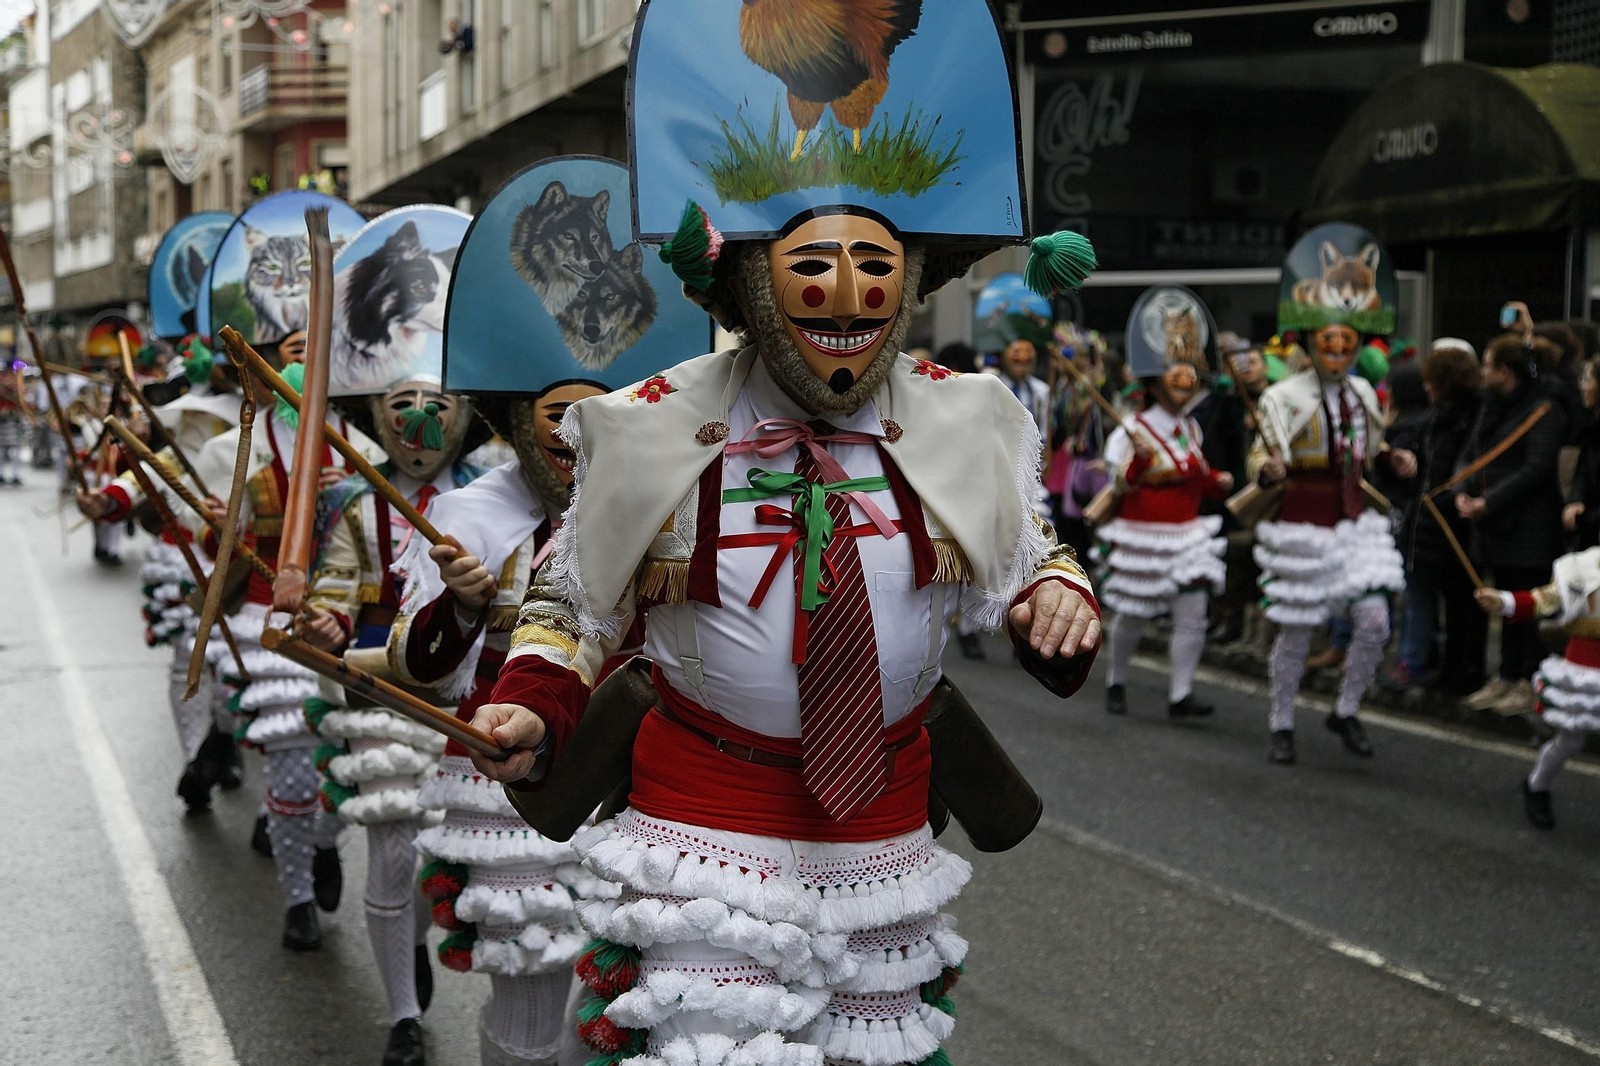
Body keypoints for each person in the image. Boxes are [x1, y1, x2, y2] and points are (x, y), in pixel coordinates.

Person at [462, 10, 1103, 1061]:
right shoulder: (650, 425)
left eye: (873, 267)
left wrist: (1055, 603)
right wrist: (532, 705)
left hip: (886, 831)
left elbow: (1031, 563)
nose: (847, 294)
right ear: (754, 285)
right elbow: (570, 605)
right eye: (815, 269)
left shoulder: (966, 416)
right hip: (705, 828)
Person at [387, 157, 701, 1066]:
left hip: (650, 791)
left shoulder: (677, 508)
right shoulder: (471, 515)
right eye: (555, 416)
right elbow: (425, 667)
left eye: (596, 415)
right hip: (518, 780)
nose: (574, 439)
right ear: (517, 419)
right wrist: (461, 601)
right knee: (529, 1007)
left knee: (631, 1018)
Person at [291, 205, 479, 1066]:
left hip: (476, 694)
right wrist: (325, 618)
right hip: (381, 682)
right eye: (401, 403)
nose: (418, 421)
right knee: (394, 841)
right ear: (379, 414)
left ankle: (413, 937)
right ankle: (403, 1014)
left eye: (436, 402)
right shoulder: (352, 503)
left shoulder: (499, 497)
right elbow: (330, 585)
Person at [191, 358, 387, 951]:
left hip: (354, 626)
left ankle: (325, 842)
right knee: (293, 770)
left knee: (358, 765)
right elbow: (221, 546)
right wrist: (220, 527)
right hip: (269, 624)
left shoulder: (368, 449)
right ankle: (298, 900)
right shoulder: (240, 450)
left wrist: (357, 490)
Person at [1250, 224, 1406, 766]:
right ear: (1309, 341)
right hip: (1302, 523)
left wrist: (1393, 459)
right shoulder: (1281, 396)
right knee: (1297, 632)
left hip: (1355, 522)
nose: (1338, 348)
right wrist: (1267, 469)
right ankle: (1281, 722)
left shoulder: (1364, 391)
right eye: (1328, 340)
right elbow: (1256, 459)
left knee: (1376, 622)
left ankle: (1346, 709)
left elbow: (1374, 447)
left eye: (1348, 340)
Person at [75, 336, 245, 811]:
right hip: (183, 560)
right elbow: (145, 477)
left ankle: (224, 743)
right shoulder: (175, 452)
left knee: (235, 669)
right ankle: (197, 760)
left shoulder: (261, 448)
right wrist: (107, 500)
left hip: (243, 566)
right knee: (186, 662)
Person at [1097, 286, 1231, 718]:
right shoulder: (1130, 429)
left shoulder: (1192, 429)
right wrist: (1137, 464)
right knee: (1134, 614)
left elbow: (1197, 477)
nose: (1185, 378)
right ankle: (1116, 680)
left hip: (1188, 532)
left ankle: (1181, 694)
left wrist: (1218, 482)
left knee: (1193, 608)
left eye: (1190, 370)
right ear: (1155, 379)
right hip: (1143, 534)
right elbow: (1119, 484)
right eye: (1175, 370)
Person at [1455, 333, 1568, 716]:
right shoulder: (1491, 408)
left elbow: (1536, 469)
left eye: (1487, 364)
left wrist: (1488, 502)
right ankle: (1504, 675)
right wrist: (1463, 490)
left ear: (1504, 371)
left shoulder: (1544, 410)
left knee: (1529, 604)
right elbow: (1471, 453)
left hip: (1531, 527)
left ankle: (1528, 680)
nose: (1482, 372)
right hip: (1495, 528)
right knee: (1503, 602)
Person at [1382, 340, 1486, 695]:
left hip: (1452, 522)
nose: (1427, 387)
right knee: (1442, 598)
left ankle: (1455, 669)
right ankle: (1441, 666)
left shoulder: (1470, 418)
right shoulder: (1435, 419)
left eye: (1433, 380)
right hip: (1430, 521)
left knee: (1459, 602)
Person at [1475, 548, 1600, 829]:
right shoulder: (1580, 567)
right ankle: (1537, 785)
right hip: (1585, 671)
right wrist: (1503, 601)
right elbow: (1545, 600)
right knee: (1571, 740)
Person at [1564, 356, 1600, 550]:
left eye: (1587, 380)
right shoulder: (1591, 430)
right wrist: (1576, 501)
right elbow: (1583, 472)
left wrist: (1586, 518)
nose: (1582, 387)